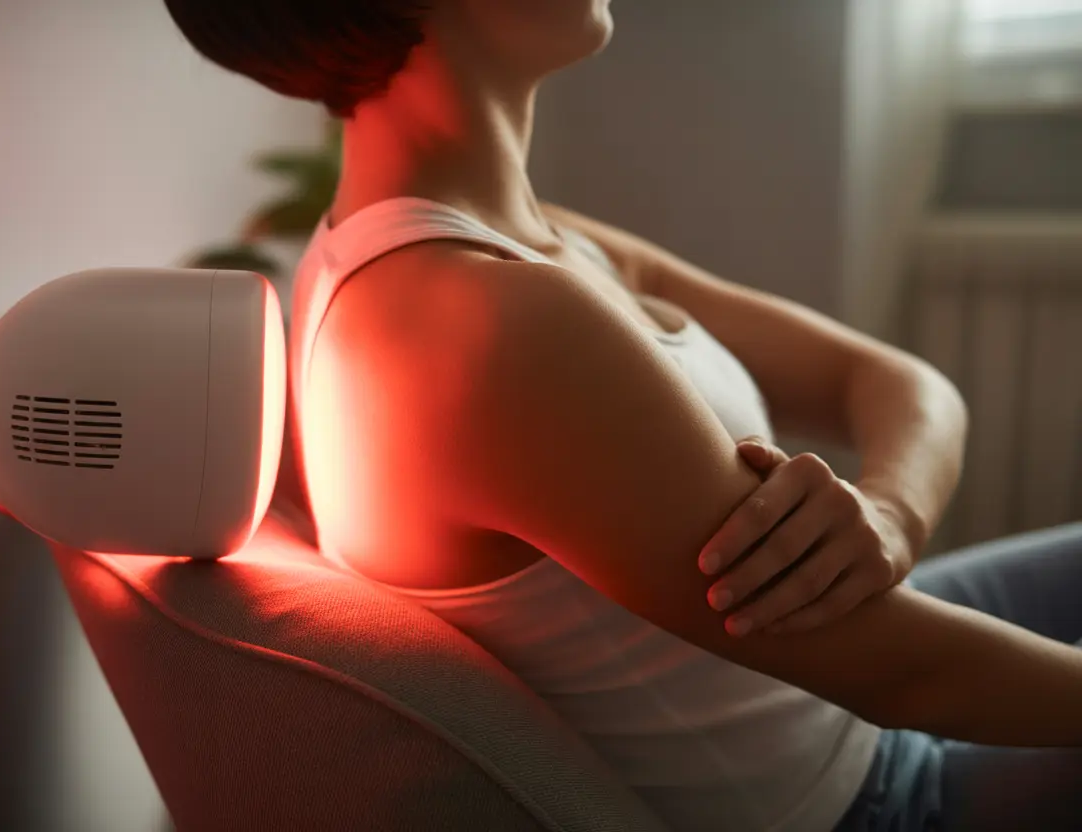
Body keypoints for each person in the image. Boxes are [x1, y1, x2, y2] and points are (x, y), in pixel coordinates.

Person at [163, 2, 1082, 829]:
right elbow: (899, 671)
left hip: (863, 717)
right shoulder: (476, 321)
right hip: (878, 797)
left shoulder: (506, 244)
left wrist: (890, 514)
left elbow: (893, 382)